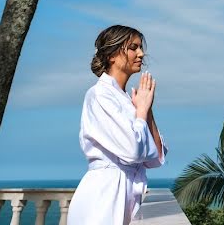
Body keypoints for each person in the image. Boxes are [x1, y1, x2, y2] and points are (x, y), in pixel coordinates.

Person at [67, 25, 168, 224]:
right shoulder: (99, 95)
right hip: (105, 195)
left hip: (126, 193)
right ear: (112, 55)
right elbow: (133, 151)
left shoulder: (127, 100)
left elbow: (155, 159)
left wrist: (146, 110)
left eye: (140, 48)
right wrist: (140, 112)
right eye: (133, 47)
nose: (141, 54)